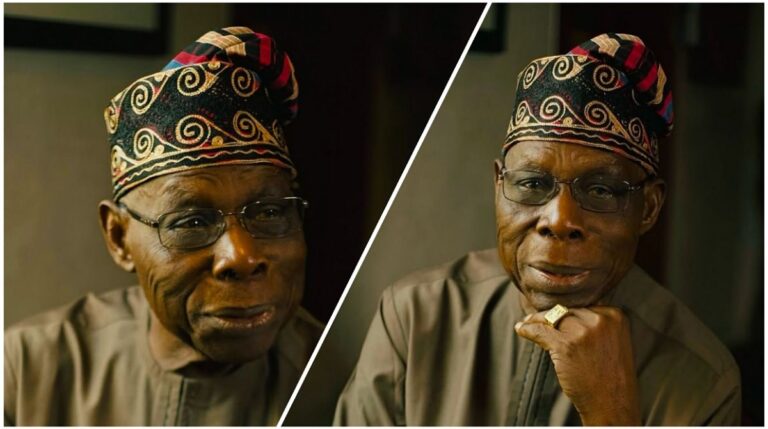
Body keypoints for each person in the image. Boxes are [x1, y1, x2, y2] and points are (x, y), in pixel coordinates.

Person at [334, 33, 741, 425]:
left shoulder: (703, 378)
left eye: (600, 189)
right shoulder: (415, 317)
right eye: (531, 184)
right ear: (499, 188)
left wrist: (612, 416)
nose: (559, 221)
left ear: (648, 208)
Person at [4, 27, 322, 425]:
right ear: (119, 238)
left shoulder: (339, 382)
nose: (241, 257)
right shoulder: (28, 372)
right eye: (191, 221)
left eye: (270, 213)